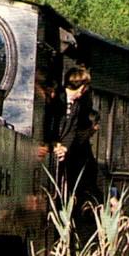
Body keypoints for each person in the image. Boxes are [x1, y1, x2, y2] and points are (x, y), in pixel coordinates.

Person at [46, 65, 100, 212]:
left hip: (62, 152)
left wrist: (65, 147)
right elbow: (49, 124)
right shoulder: (57, 98)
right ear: (80, 87)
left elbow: (72, 130)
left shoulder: (77, 106)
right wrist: (54, 143)